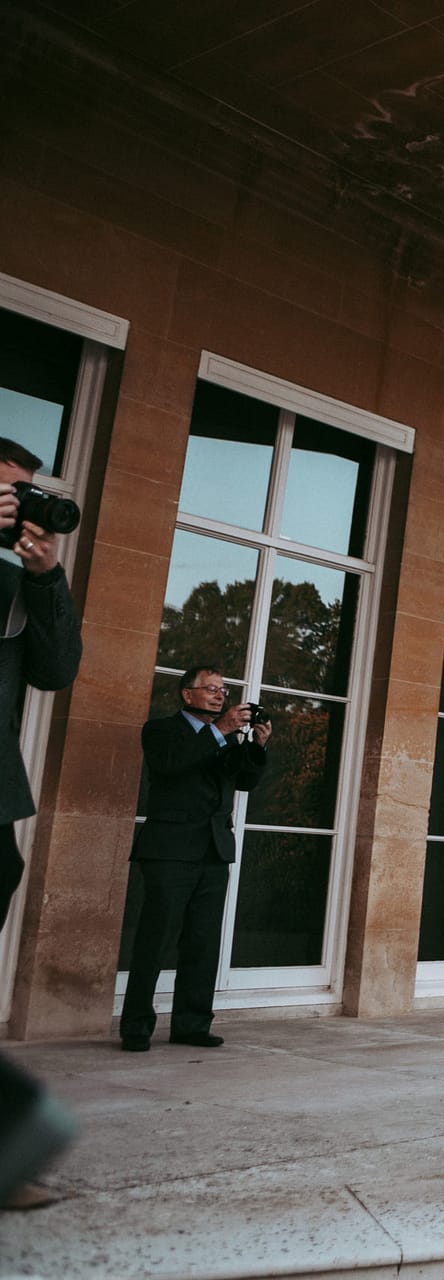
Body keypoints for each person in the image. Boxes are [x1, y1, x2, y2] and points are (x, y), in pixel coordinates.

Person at [0, 438, 82, 1212]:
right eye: (7, 491)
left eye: (26, 492)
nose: (19, 505)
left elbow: (57, 671)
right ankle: (16, 1136)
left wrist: (47, 577)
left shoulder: (19, 578)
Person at [119, 665, 271, 1052]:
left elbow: (244, 782)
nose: (220, 695)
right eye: (211, 689)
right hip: (169, 851)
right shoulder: (161, 731)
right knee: (156, 938)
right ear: (187, 694)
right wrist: (221, 731)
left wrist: (257, 746)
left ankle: (192, 1023)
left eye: (223, 689)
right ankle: (136, 1026)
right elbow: (171, 765)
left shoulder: (225, 739)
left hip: (213, 850)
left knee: (202, 942)